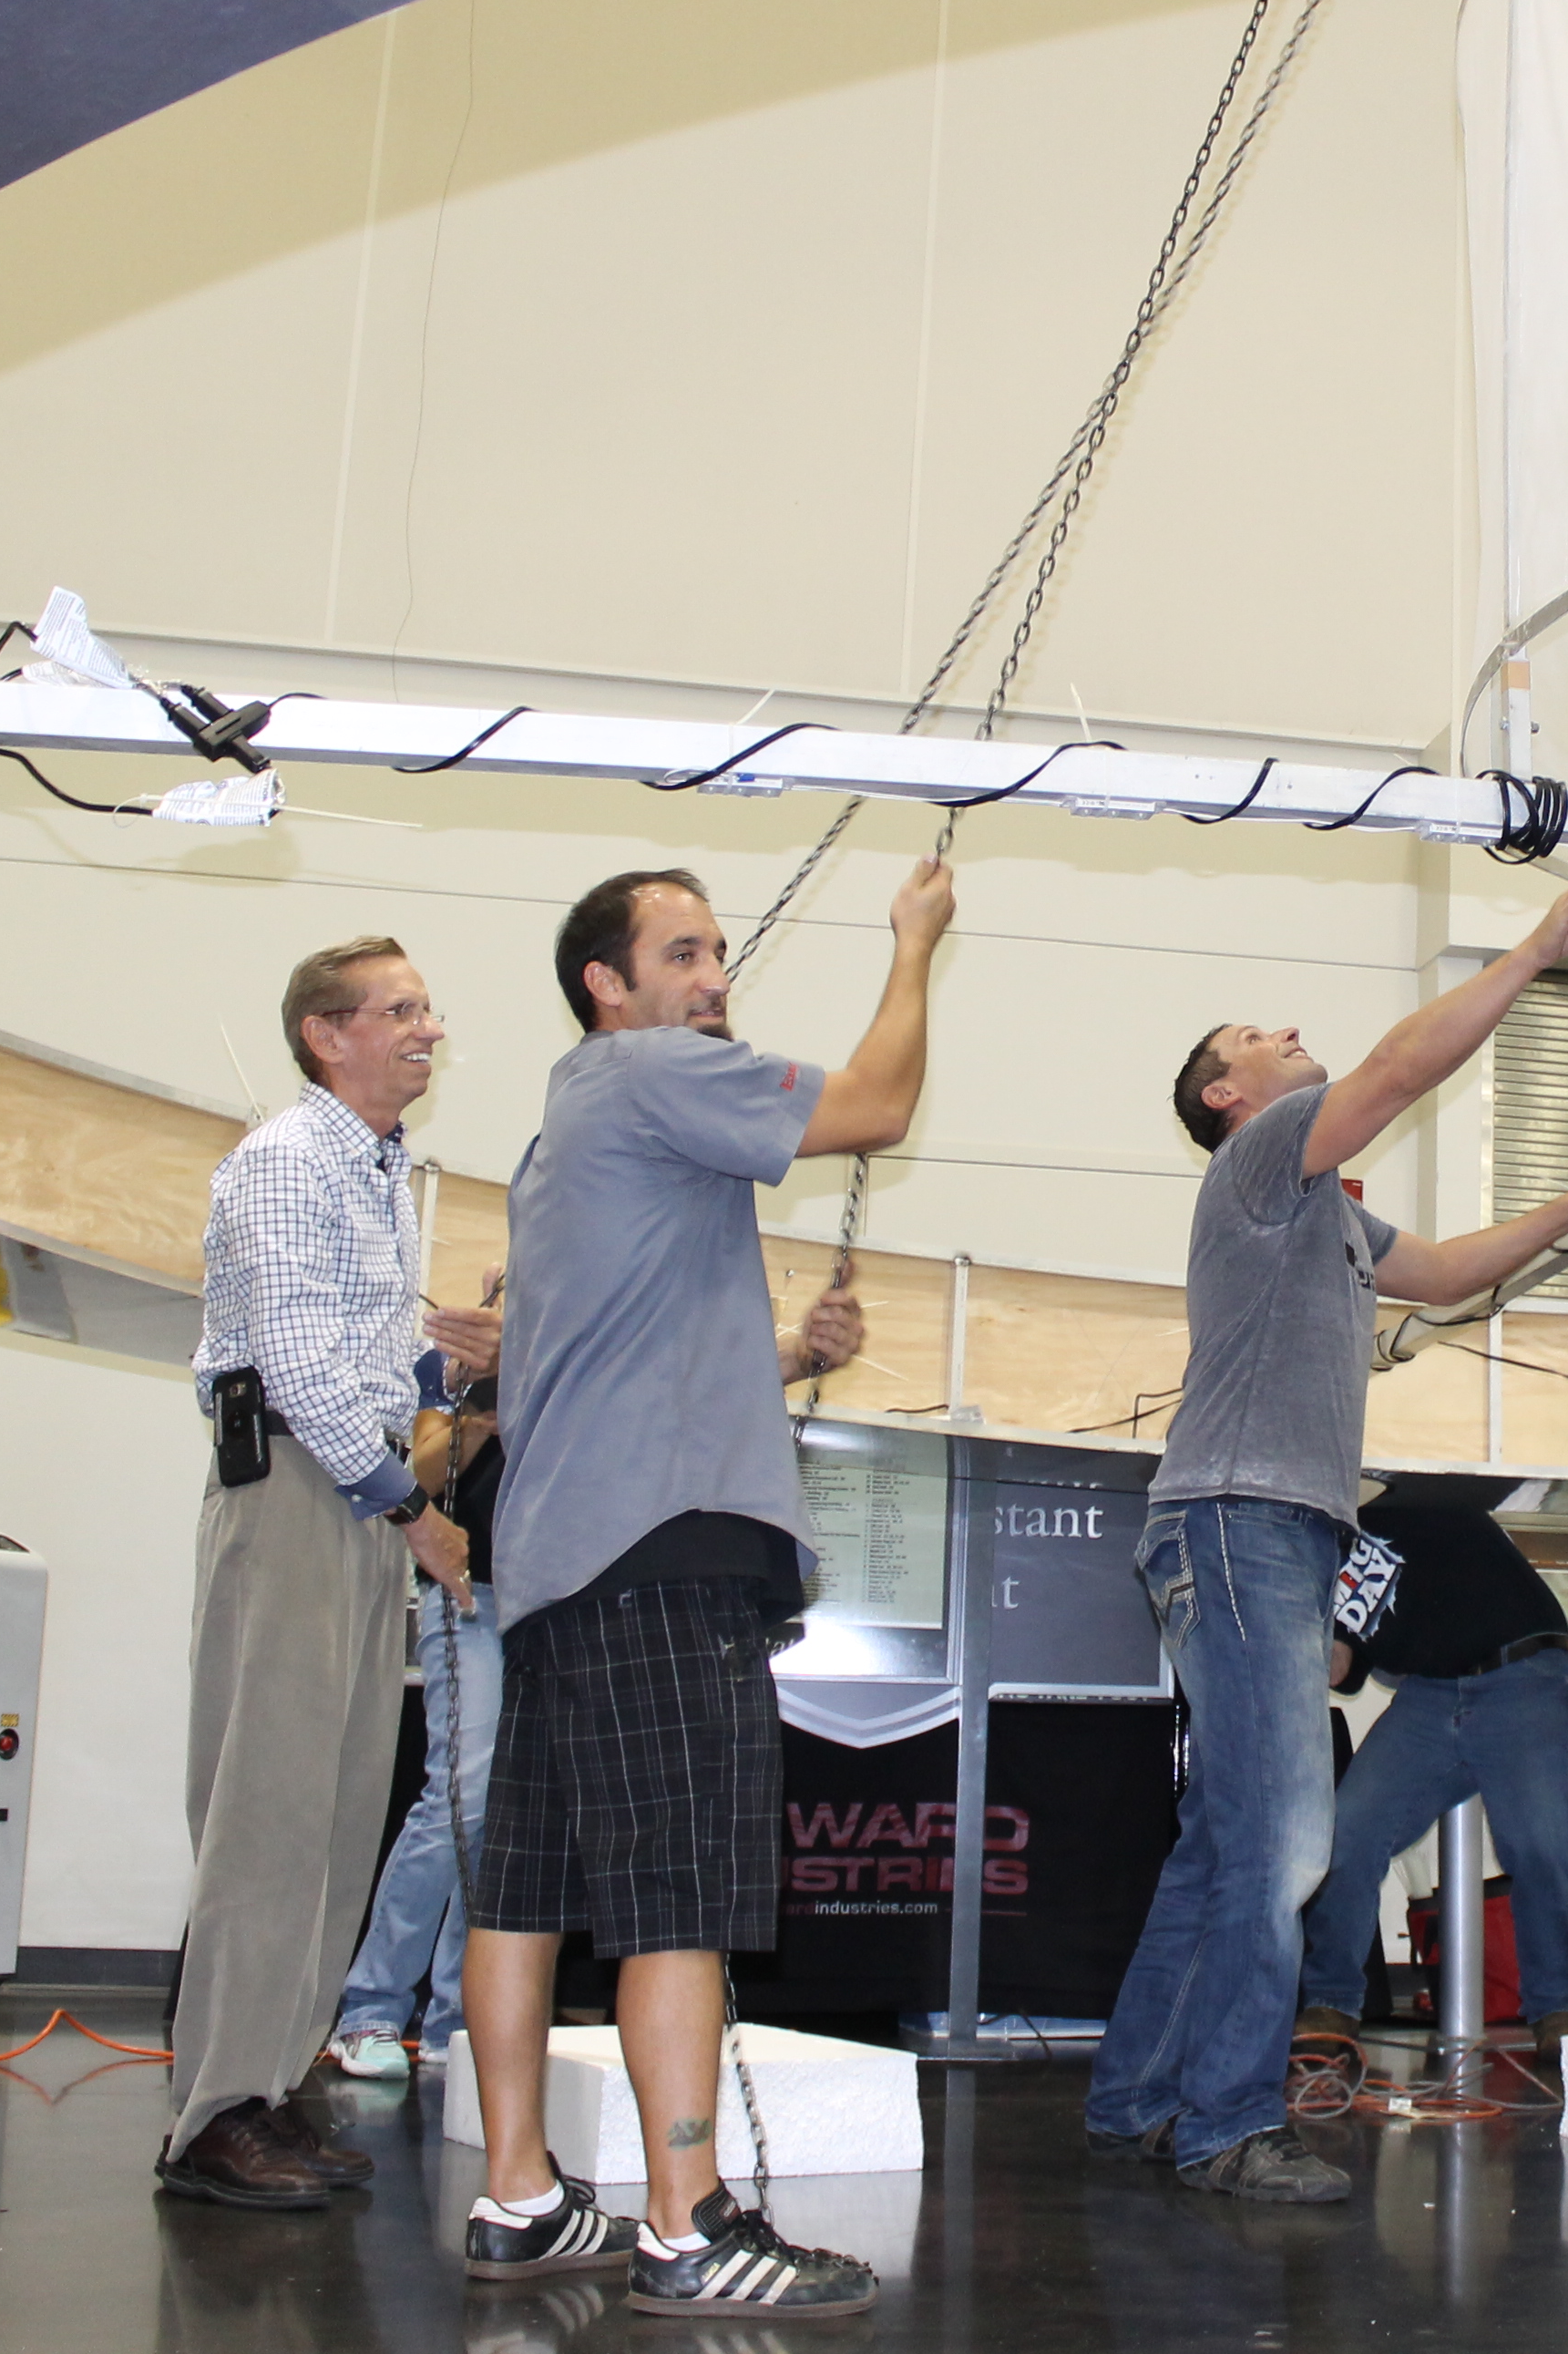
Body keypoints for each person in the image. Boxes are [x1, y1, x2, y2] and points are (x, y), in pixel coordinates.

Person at [1086, 886, 1568, 2203]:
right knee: (1287, 1846)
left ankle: (1136, 2099)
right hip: (1238, 1526)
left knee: (1229, 1844)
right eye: (1255, 1037)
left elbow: (1448, 1274)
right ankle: (1229, 2124)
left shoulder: (1329, 1218)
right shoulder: (1259, 1161)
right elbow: (1398, 1069)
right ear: (1228, 1097)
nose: (1285, 1030)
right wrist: (1532, 953)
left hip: (1263, 1534)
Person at [456, 858, 951, 2320]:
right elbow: (878, 1104)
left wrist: (785, 1356)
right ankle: (685, 2225)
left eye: (719, 951)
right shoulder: (655, 1072)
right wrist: (914, 946)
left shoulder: (565, 1131)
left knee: (526, 1887)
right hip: (664, 1553)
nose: (713, 977)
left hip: (563, 1565)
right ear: (607, 987)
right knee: (677, 1893)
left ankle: (520, 2195)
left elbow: (621, 1345)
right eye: (680, 953)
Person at [164, 939, 479, 2209]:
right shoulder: (290, 1162)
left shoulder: (378, 1172)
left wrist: (448, 1370)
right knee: (268, 1815)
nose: (428, 1029)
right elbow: (296, 1371)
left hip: (348, 1495)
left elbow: (360, 1358)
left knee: (336, 1814)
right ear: (326, 1036)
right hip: (305, 1494)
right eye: (401, 1011)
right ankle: (212, 2116)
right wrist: (414, 1511)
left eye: (426, 1009)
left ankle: (267, 2085)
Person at [1294, 1504, 1568, 2057]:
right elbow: (1339, 1664)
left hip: (1522, 1674)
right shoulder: (1312, 1564)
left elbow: (1453, 1505)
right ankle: (1331, 2001)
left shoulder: (1406, 1500)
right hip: (1430, 1695)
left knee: (1541, 1847)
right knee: (1348, 1834)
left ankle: (1556, 2006)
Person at [325, 1271, 507, 2082]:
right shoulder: (453, 1365)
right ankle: (370, 2007)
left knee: (503, 1815)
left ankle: (457, 2021)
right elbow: (418, 1477)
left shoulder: (578, 1358)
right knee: (461, 1796)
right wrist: (482, 1408)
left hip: (547, 1606)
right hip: (469, 1597)